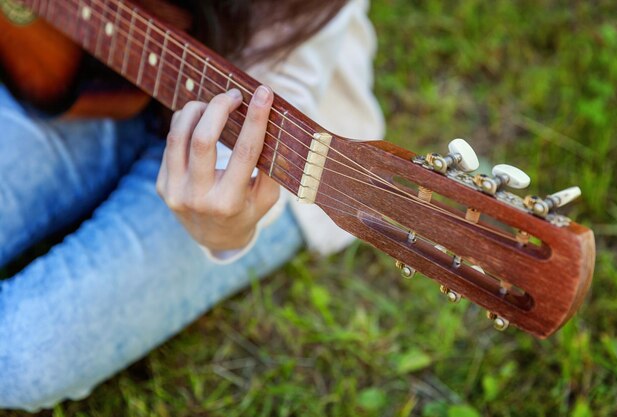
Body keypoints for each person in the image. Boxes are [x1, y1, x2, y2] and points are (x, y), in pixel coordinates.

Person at [0, 0, 384, 411]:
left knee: (19, 357)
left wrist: (225, 225)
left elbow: (281, 94)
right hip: (78, 53)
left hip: (266, 120)